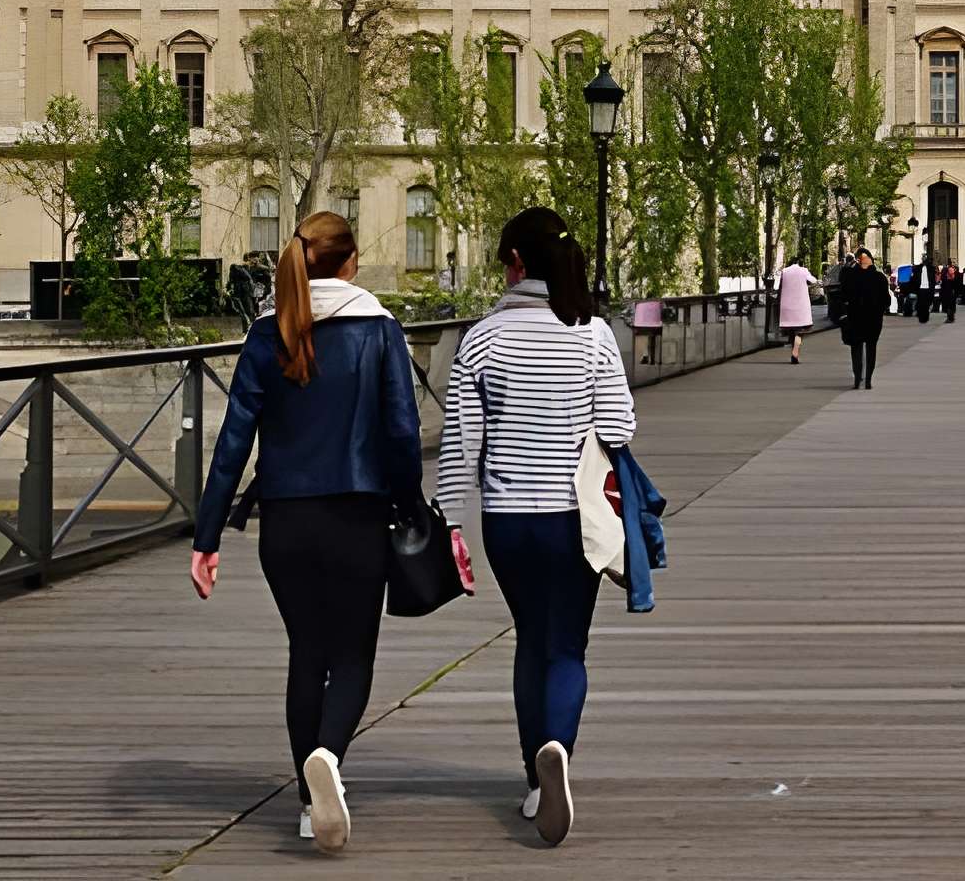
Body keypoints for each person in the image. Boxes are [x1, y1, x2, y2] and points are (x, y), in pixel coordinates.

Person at [192, 210, 431, 856]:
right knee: (353, 656)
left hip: (286, 521)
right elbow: (403, 433)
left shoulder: (268, 333)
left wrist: (207, 536)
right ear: (349, 262)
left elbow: (234, 440)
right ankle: (327, 757)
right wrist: (411, 506)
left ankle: (307, 803)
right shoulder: (380, 329)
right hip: (357, 512)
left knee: (306, 653)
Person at [439, 206, 636, 847]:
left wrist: (452, 522)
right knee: (567, 647)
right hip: (570, 518)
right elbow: (618, 429)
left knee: (529, 639)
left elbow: (461, 444)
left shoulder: (482, 338)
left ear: (516, 265)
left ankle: (533, 777)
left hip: (506, 521)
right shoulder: (592, 334)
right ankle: (557, 748)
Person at [838, 249, 890, 388]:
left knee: (856, 348)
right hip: (874, 319)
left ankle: (857, 377)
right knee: (871, 348)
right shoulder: (879, 278)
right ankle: (868, 380)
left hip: (855, 317)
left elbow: (843, 296)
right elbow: (887, 301)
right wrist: (879, 309)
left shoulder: (850, 277)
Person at [774, 253, 816, 365]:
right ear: (800, 263)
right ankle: (795, 352)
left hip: (786, 306)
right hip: (800, 306)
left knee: (792, 330)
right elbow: (813, 281)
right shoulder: (803, 270)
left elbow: (778, 286)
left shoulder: (784, 271)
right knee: (799, 332)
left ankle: (794, 350)